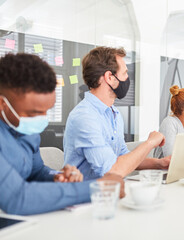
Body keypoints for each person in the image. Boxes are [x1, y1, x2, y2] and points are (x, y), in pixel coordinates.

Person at [0, 53, 125, 215]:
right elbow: (17, 198)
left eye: (46, 111)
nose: (41, 120)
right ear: (3, 104)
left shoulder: (26, 131)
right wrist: (97, 188)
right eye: (33, 113)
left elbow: (36, 172)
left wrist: (57, 177)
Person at [63, 47, 170, 180]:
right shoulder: (84, 117)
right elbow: (111, 170)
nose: (127, 78)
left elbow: (121, 156)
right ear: (109, 77)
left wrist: (160, 163)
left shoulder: (114, 113)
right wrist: (149, 143)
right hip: (87, 196)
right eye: (125, 73)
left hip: (111, 192)